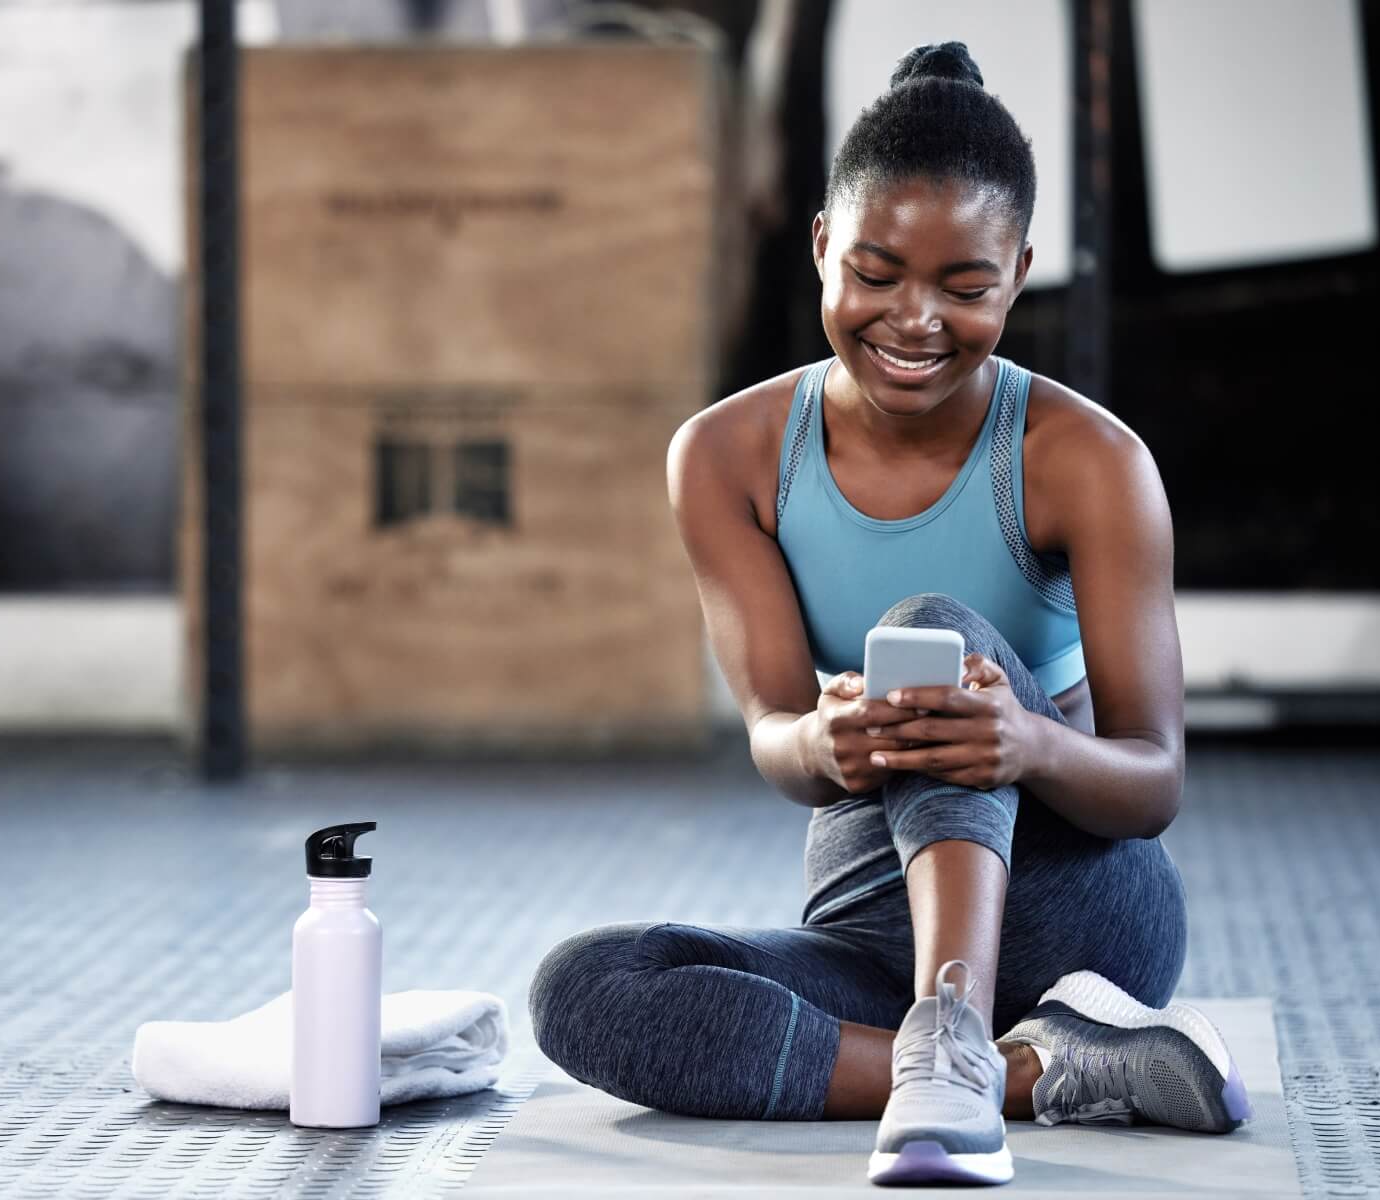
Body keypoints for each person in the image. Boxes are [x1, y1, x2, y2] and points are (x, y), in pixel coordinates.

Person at [528, 41, 1249, 1187]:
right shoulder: (724, 456)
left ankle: (953, 1043)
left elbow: (1153, 781)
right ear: (822, 247)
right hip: (869, 911)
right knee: (584, 989)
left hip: (1080, 915)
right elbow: (775, 732)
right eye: (875, 273)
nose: (914, 321)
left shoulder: (1090, 461)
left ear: (1018, 273)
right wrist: (816, 739)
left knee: (935, 623)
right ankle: (1036, 1076)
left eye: (965, 288)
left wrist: (1030, 741)